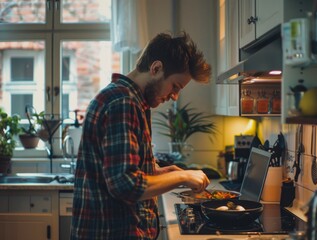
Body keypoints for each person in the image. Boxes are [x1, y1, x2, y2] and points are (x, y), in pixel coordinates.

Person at [70, 31, 212, 240]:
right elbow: (125, 185)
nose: (174, 97)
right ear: (156, 68)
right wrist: (182, 176)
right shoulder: (122, 103)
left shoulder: (131, 101)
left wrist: (165, 172)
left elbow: (129, 170)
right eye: (175, 86)